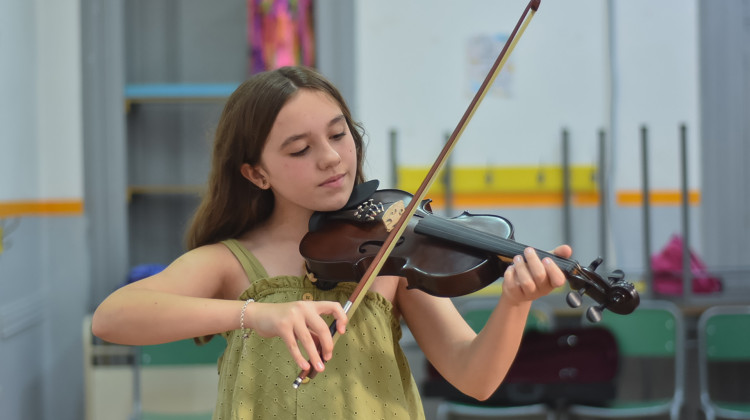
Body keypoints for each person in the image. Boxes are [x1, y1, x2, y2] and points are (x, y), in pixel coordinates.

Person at [92, 66, 572, 419]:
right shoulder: (232, 264)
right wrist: (254, 314)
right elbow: (112, 318)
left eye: (339, 135)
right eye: (299, 149)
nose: (331, 158)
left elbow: (476, 378)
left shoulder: (392, 255)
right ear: (256, 173)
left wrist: (514, 304)